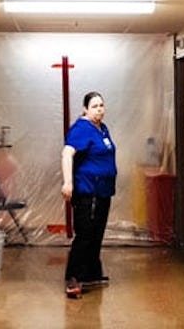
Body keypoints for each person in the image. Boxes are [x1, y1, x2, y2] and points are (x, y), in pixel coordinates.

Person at [61, 91, 117, 298]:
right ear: (85, 109)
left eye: (101, 105)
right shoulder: (81, 128)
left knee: (97, 232)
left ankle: (92, 272)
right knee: (85, 234)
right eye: (94, 106)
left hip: (103, 190)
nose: (99, 109)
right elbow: (67, 153)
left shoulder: (102, 128)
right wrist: (68, 182)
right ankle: (73, 278)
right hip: (87, 190)